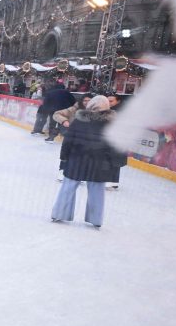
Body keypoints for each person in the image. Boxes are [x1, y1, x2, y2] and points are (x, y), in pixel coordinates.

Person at [50, 96, 126, 229]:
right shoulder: (113, 124)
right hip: (99, 163)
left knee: (68, 187)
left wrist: (64, 156)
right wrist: (117, 162)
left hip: (77, 159)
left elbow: (69, 140)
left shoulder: (79, 120)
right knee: (97, 190)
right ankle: (96, 219)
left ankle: (59, 213)